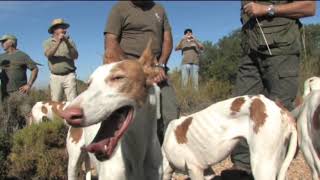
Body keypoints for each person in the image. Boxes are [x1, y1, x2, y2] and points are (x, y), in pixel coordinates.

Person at [223, 1, 316, 180]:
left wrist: (269, 9)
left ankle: (276, 171)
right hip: (250, 51)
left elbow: (309, 7)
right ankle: (242, 166)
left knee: (279, 112)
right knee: (241, 107)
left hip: (281, 50)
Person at [103, 0, 180, 145]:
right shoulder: (120, 8)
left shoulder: (159, 9)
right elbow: (111, 43)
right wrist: (135, 70)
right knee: (121, 115)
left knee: (171, 111)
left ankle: (167, 154)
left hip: (155, 66)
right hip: (129, 68)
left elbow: (167, 40)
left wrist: (161, 65)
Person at [0, 34, 38, 133]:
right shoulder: (1, 57)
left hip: (20, 92)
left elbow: (34, 69)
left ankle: (30, 136)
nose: (1, 43)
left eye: (4, 41)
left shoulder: (22, 55)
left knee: (27, 115)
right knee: (8, 116)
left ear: (11, 42)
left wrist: (29, 85)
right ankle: (10, 138)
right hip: (5, 93)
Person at [43, 18, 79, 102]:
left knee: (73, 102)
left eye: (64, 27)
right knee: (56, 102)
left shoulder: (70, 41)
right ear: (54, 30)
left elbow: (75, 56)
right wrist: (58, 41)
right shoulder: (47, 42)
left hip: (69, 75)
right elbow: (48, 54)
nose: (64, 29)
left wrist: (67, 42)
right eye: (61, 27)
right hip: (55, 76)